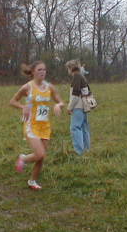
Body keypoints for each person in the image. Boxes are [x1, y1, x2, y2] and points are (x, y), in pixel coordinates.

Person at [9, 61, 65, 190]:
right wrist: (23, 107)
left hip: (45, 126)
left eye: (44, 69)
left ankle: (32, 181)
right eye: (39, 69)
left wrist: (58, 105)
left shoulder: (50, 87)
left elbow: (61, 101)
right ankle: (23, 158)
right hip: (31, 125)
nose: (42, 72)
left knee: (42, 157)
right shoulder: (27, 87)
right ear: (33, 71)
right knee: (39, 154)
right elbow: (12, 101)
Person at [65, 60, 91, 155]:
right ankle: (87, 150)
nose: (68, 71)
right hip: (84, 106)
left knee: (75, 128)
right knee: (84, 128)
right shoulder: (82, 76)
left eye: (68, 68)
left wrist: (70, 107)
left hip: (77, 107)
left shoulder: (76, 77)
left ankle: (79, 151)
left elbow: (75, 95)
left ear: (71, 68)